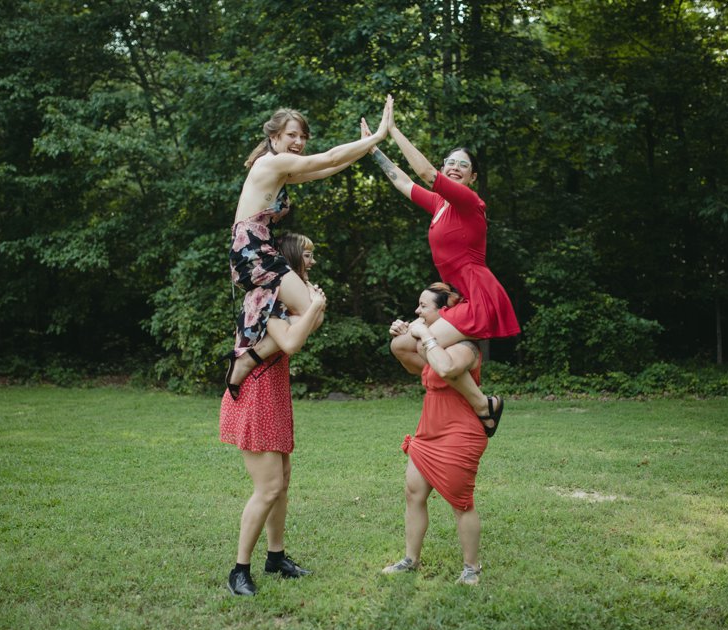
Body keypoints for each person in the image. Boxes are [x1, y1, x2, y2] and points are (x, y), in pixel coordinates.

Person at [363, 116, 521, 436]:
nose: (454, 167)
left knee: (424, 343)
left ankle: (481, 405)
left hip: (478, 293)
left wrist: (393, 130)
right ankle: (462, 390)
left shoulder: (469, 202)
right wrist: (373, 149)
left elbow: (424, 173)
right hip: (456, 296)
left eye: (462, 165)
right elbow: (403, 182)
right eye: (450, 162)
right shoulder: (439, 205)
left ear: (472, 176)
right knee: (401, 346)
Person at [226, 98, 393, 398]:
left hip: (257, 249)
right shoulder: (272, 162)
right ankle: (245, 361)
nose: (299, 142)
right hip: (253, 251)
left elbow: (325, 168)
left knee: (315, 314)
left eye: (303, 137)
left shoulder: (281, 168)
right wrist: (378, 135)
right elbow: (326, 158)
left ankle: (250, 357)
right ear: (274, 136)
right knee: (309, 309)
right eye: (292, 135)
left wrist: (364, 147)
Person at [223, 233, 327, 596]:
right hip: (256, 394)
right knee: (267, 488)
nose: (311, 261)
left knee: (282, 482)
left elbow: (304, 328)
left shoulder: (285, 300)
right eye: (307, 255)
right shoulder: (266, 297)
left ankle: (276, 557)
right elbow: (292, 343)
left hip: (273, 391)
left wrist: (311, 306)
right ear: (289, 259)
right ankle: (238, 571)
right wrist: (314, 305)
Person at [382, 283, 489, 585]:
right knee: (414, 493)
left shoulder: (465, 348)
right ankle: (410, 560)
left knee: (461, 502)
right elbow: (401, 352)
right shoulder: (429, 346)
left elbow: (444, 369)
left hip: (460, 431)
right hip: (429, 429)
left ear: (445, 313)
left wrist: (426, 335)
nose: (417, 311)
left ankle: (471, 568)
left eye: (423, 306)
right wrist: (404, 331)